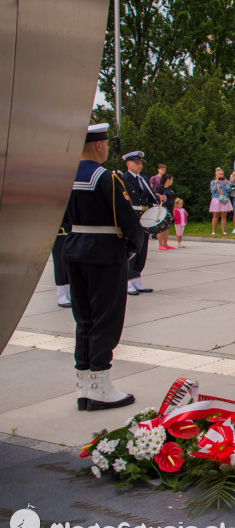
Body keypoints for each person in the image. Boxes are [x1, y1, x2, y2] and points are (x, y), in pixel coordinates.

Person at [65, 124, 145, 411]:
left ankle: (84, 386)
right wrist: (131, 249)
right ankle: (100, 386)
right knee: (105, 319)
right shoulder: (104, 178)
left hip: (74, 250)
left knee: (83, 319)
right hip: (104, 253)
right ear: (99, 145)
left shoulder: (65, 175)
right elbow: (129, 221)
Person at [121, 151, 159, 295]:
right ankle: (127, 281)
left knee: (142, 249)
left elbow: (148, 196)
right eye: (136, 163)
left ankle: (136, 278)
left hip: (144, 216)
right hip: (132, 215)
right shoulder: (123, 179)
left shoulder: (143, 179)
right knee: (131, 250)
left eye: (141, 163)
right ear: (128, 164)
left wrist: (158, 198)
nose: (139, 165)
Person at [153, 174, 175, 250]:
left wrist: (173, 209)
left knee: (167, 227)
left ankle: (165, 243)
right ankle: (160, 244)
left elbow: (172, 199)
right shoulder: (160, 188)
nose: (172, 181)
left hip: (170, 208)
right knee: (161, 227)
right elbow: (156, 195)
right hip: (163, 209)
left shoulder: (169, 189)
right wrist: (160, 197)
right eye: (171, 179)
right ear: (168, 180)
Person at [209, 167, 231, 235]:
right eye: (219, 174)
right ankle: (213, 231)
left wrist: (227, 184)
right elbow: (213, 191)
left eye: (222, 174)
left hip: (224, 198)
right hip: (216, 199)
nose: (221, 176)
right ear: (216, 175)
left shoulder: (226, 181)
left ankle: (223, 231)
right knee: (215, 215)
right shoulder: (213, 182)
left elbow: (229, 190)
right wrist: (216, 183)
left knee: (224, 215)